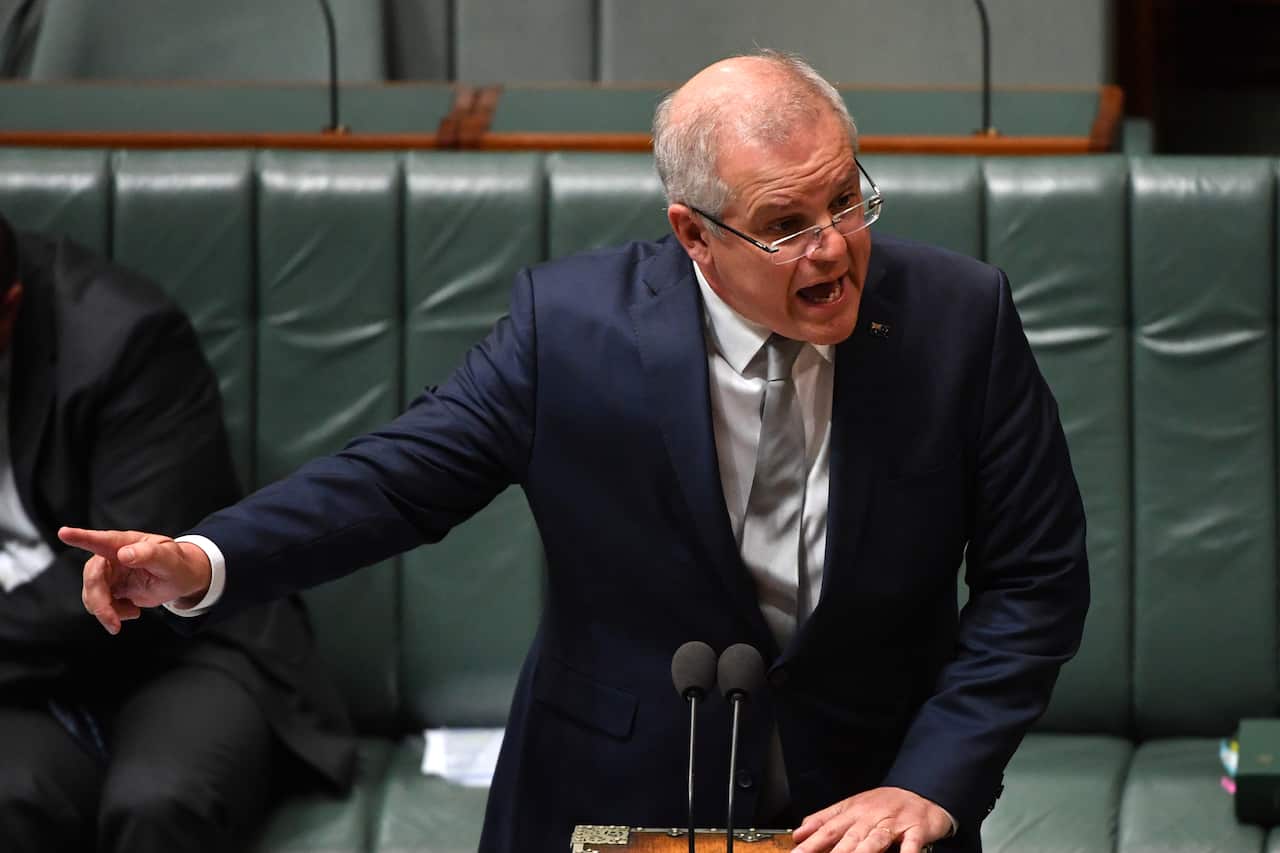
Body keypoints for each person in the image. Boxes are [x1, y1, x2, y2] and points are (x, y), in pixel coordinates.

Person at [63, 51, 1088, 853]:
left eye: (845, 200)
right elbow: (397, 479)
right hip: (611, 801)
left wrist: (930, 778)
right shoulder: (571, 330)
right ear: (694, 235)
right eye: (784, 225)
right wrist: (203, 560)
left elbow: (1034, 581)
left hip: (864, 803)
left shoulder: (959, 319)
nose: (831, 247)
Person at [0, 212, 354, 852]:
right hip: (23, 673)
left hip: (178, 640)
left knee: (159, 803)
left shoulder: (121, 339)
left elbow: (119, 581)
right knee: (11, 798)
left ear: (10, 309)